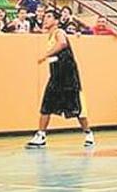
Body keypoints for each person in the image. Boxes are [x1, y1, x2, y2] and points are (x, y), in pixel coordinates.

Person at [25, 9, 94, 149]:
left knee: (77, 107)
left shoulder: (59, 32)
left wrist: (45, 55)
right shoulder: (49, 35)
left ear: (56, 21)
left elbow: (63, 43)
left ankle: (88, 133)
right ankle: (41, 135)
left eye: (49, 17)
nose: (45, 19)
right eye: (44, 17)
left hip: (68, 76)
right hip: (56, 75)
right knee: (46, 104)